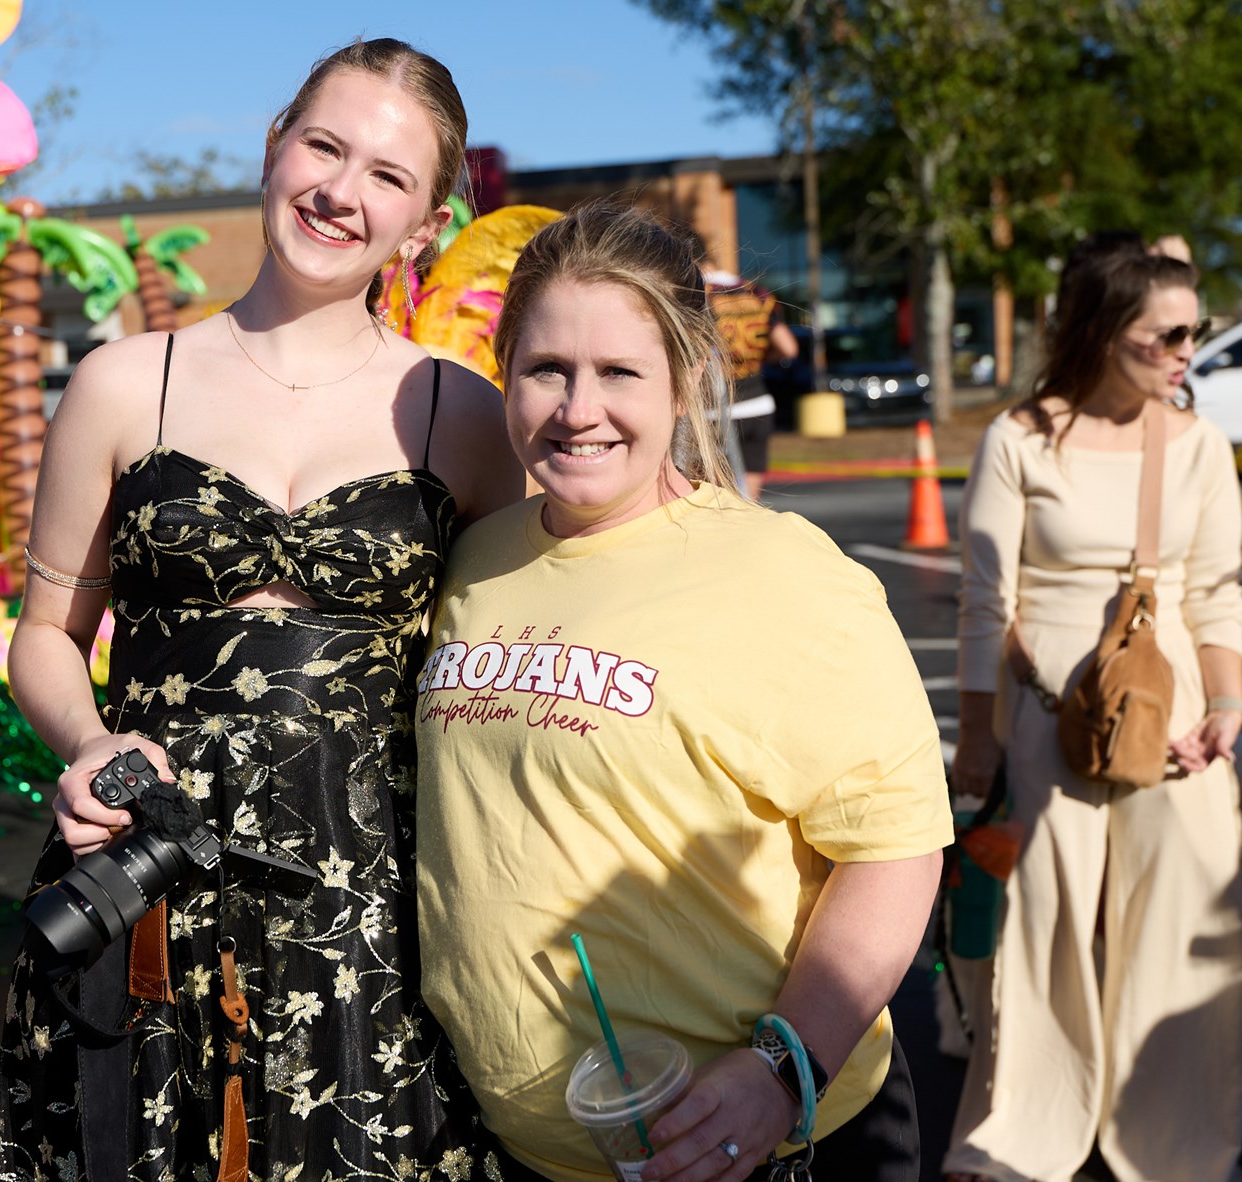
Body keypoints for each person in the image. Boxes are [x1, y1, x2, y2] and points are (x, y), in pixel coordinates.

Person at [0, 38, 526, 1182]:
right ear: (275, 143)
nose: (340, 191)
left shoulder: (464, 415)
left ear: (424, 225)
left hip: (374, 903)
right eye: (324, 146)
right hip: (150, 871)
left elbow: (522, 656)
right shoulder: (125, 383)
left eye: (387, 175)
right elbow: (44, 637)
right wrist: (87, 742)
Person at [413, 202, 952, 1181]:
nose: (578, 409)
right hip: (523, 1152)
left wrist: (782, 1070)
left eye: (620, 372)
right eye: (546, 369)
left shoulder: (785, 575)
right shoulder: (472, 557)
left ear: (688, 376)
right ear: (503, 369)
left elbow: (895, 850)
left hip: (761, 1144)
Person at [943, 248, 1242, 1182]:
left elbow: (1220, 593)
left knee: (1187, 912)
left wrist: (1227, 706)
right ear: (1106, 333)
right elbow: (984, 600)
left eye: (1196, 329)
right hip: (1044, 715)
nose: (1189, 349)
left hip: (1173, 716)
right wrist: (979, 739)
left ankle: (1175, 1140)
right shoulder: (1020, 438)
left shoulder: (1197, 444)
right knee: (1042, 922)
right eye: (1171, 333)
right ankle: (1021, 1131)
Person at [703, 267, 798, 501]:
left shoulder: (698, 293)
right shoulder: (757, 294)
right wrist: (759, 359)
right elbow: (789, 348)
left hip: (713, 408)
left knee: (713, 499)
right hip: (757, 402)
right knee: (748, 501)